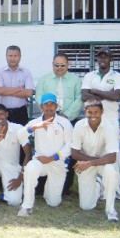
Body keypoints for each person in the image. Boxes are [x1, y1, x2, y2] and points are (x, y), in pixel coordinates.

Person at [17, 93, 73, 217]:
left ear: (56, 106)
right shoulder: (35, 122)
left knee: (53, 202)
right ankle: (27, 205)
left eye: (52, 104)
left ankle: (49, 191)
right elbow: (20, 135)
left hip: (57, 163)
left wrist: (52, 158)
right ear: (41, 106)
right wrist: (34, 128)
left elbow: (70, 147)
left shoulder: (65, 123)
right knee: (30, 168)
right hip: (40, 161)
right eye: (46, 104)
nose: (49, 107)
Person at [35, 52, 83, 196]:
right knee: (47, 150)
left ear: (68, 65)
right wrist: (51, 114)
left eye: (63, 65)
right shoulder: (44, 80)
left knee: (68, 151)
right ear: (52, 65)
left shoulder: (75, 80)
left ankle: (66, 186)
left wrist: (65, 116)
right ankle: (42, 185)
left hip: (69, 119)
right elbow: (39, 98)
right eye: (56, 65)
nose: (59, 68)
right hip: (48, 120)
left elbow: (79, 99)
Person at [81, 47, 120, 199]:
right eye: (100, 57)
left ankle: (115, 189)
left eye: (106, 57)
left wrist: (95, 91)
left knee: (113, 154)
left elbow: (116, 96)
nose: (102, 59)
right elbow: (84, 96)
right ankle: (98, 188)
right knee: (94, 152)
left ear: (111, 59)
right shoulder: (89, 75)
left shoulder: (117, 76)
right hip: (93, 119)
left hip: (111, 119)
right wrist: (106, 93)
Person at [71, 99, 119, 222]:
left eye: (96, 112)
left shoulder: (109, 126)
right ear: (85, 112)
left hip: (102, 163)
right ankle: (97, 184)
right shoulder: (79, 125)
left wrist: (91, 163)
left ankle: (111, 209)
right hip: (87, 163)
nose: (93, 115)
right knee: (86, 206)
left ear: (102, 112)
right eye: (90, 112)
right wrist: (93, 162)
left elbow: (112, 157)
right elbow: (74, 154)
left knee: (110, 171)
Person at [0, 45, 34, 126]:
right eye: (10, 56)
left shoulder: (26, 72)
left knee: (21, 137)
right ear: (6, 57)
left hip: (21, 113)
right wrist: (20, 89)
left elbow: (29, 93)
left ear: (20, 57)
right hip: (2, 113)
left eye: (15, 56)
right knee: (2, 137)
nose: (12, 58)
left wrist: (6, 91)